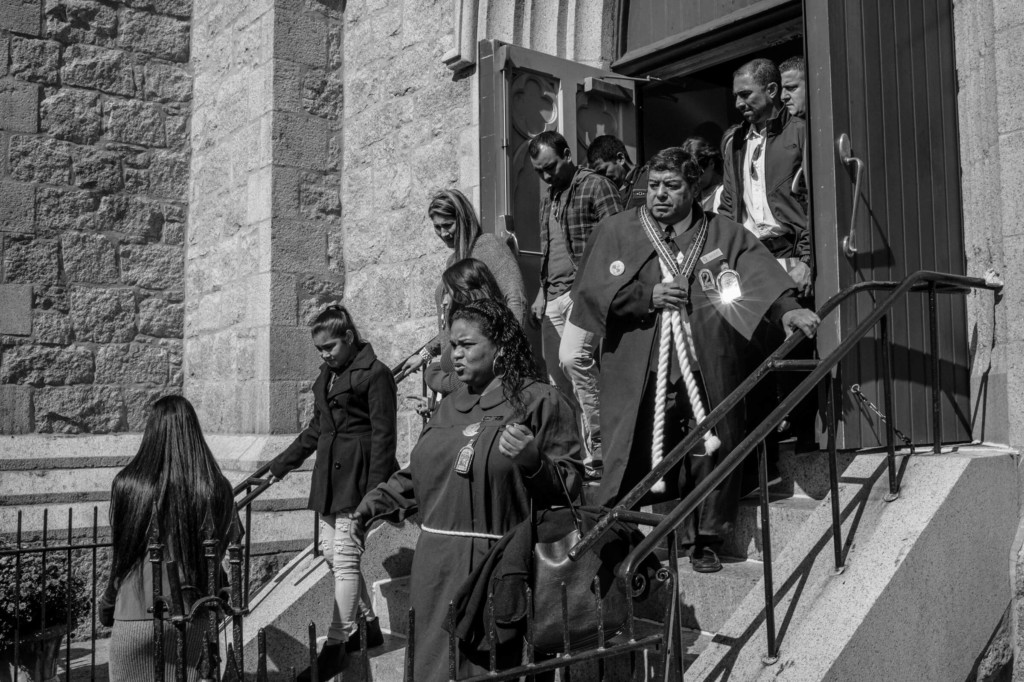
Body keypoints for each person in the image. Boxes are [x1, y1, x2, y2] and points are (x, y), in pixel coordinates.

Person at [569, 147, 819, 573]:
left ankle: (704, 539)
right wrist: (645, 297)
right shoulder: (617, 230)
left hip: (707, 362)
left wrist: (787, 309)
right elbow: (590, 292)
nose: (660, 195)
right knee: (642, 450)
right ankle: (627, 531)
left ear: (694, 189)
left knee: (710, 449)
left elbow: (758, 277)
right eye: (654, 186)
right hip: (642, 367)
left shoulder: (722, 233)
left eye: (672, 187)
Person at [352, 299, 584, 680]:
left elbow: (570, 487)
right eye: (451, 345)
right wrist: (370, 507)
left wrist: (533, 461)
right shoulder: (447, 407)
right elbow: (419, 475)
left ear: (501, 347)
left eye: (466, 345)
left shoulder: (540, 400)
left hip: (495, 570)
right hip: (433, 569)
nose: (453, 355)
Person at [268, 304, 399, 681]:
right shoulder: (328, 376)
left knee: (344, 558)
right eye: (319, 349)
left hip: (357, 480)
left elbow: (384, 437)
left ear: (349, 337)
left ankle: (337, 646)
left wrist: (374, 495)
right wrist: (280, 465)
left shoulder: (375, 374)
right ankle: (369, 625)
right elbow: (315, 430)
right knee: (329, 551)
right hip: (329, 479)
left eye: (330, 346)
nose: (324, 354)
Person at [99, 395, 236, 682]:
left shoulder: (129, 483)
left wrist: (108, 601)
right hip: (194, 609)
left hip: (136, 609)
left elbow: (121, 556)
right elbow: (219, 552)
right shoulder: (216, 487)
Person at [529, 130, 623, 478]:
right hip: (553, 297)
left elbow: (619, 240)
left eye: (550, 167)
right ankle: (579, 457)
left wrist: (600, 287)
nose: (546, 176)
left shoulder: (596, 185)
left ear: (568, 154)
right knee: (560, 382)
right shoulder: (548, 196)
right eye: (539, 171)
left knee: (574, 358)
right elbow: (550, 250)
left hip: (584, 292)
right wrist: (542, 292)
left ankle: (603, 446)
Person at [401, 189, 526, 379]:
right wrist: (425, 354)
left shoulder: (489, 246)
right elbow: (453, 324)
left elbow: (515, 299)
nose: (443, 233)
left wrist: (507, 352)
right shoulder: (453, 262)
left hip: (486, 366)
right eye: (437, 227)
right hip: (457, 366)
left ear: (463, 219)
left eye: (448, 225)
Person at [720, 58, 812, 298]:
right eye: (735, 96)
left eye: (746, 94)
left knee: (798, 330)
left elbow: (819, 204)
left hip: (791, 255)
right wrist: (725, 261)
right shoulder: (734, 143)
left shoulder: (801, 132)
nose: (739, 103)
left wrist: (807, 260)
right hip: (749, 258)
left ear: (771, 90)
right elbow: (728, 207)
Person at [423, 257, 509, 396]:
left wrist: (432, 374)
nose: (444, 301)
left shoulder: (491, 327)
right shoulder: (465, 326)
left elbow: (462, 381)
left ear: (464, 292)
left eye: (448, 293)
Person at [587, 134, 647, 210]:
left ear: (620, 158)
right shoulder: (606, 191)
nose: (602, 178)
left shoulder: (648, 180)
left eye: (602, 171)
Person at [681, 136, 724, 213]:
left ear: (711, 163)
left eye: (699, 173)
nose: (695, 180)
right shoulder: (692, 195)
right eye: (689, 176)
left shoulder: (724, 194)